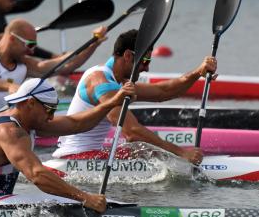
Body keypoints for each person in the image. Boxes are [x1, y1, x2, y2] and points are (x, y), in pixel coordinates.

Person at [0, 77, 136, 212]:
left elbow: (77, 124)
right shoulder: (8, 132)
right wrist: (86, 198)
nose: (51, 117)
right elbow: (37, 175)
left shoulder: (26, 122)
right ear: (30, 103)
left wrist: (112, 102)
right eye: (49, 110)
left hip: (0, 202)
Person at [52, 29, 218, 165]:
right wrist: (182, 152)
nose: (146, 68)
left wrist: (198, 73)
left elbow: (163, 92)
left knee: (144, 148)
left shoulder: (116, 80)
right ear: (128, 56)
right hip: (75, 160)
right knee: (142, 148)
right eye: (145, 61)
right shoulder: (101, 82)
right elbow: (132, 132)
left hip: (88, 156)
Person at [0, 18, 107, 127]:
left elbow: (65, 64)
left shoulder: (24, 64)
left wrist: (93, 43)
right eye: (29, 44)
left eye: (34, 46)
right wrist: (8, 86)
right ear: (12, 38)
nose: (32, 50)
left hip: (4, 124)